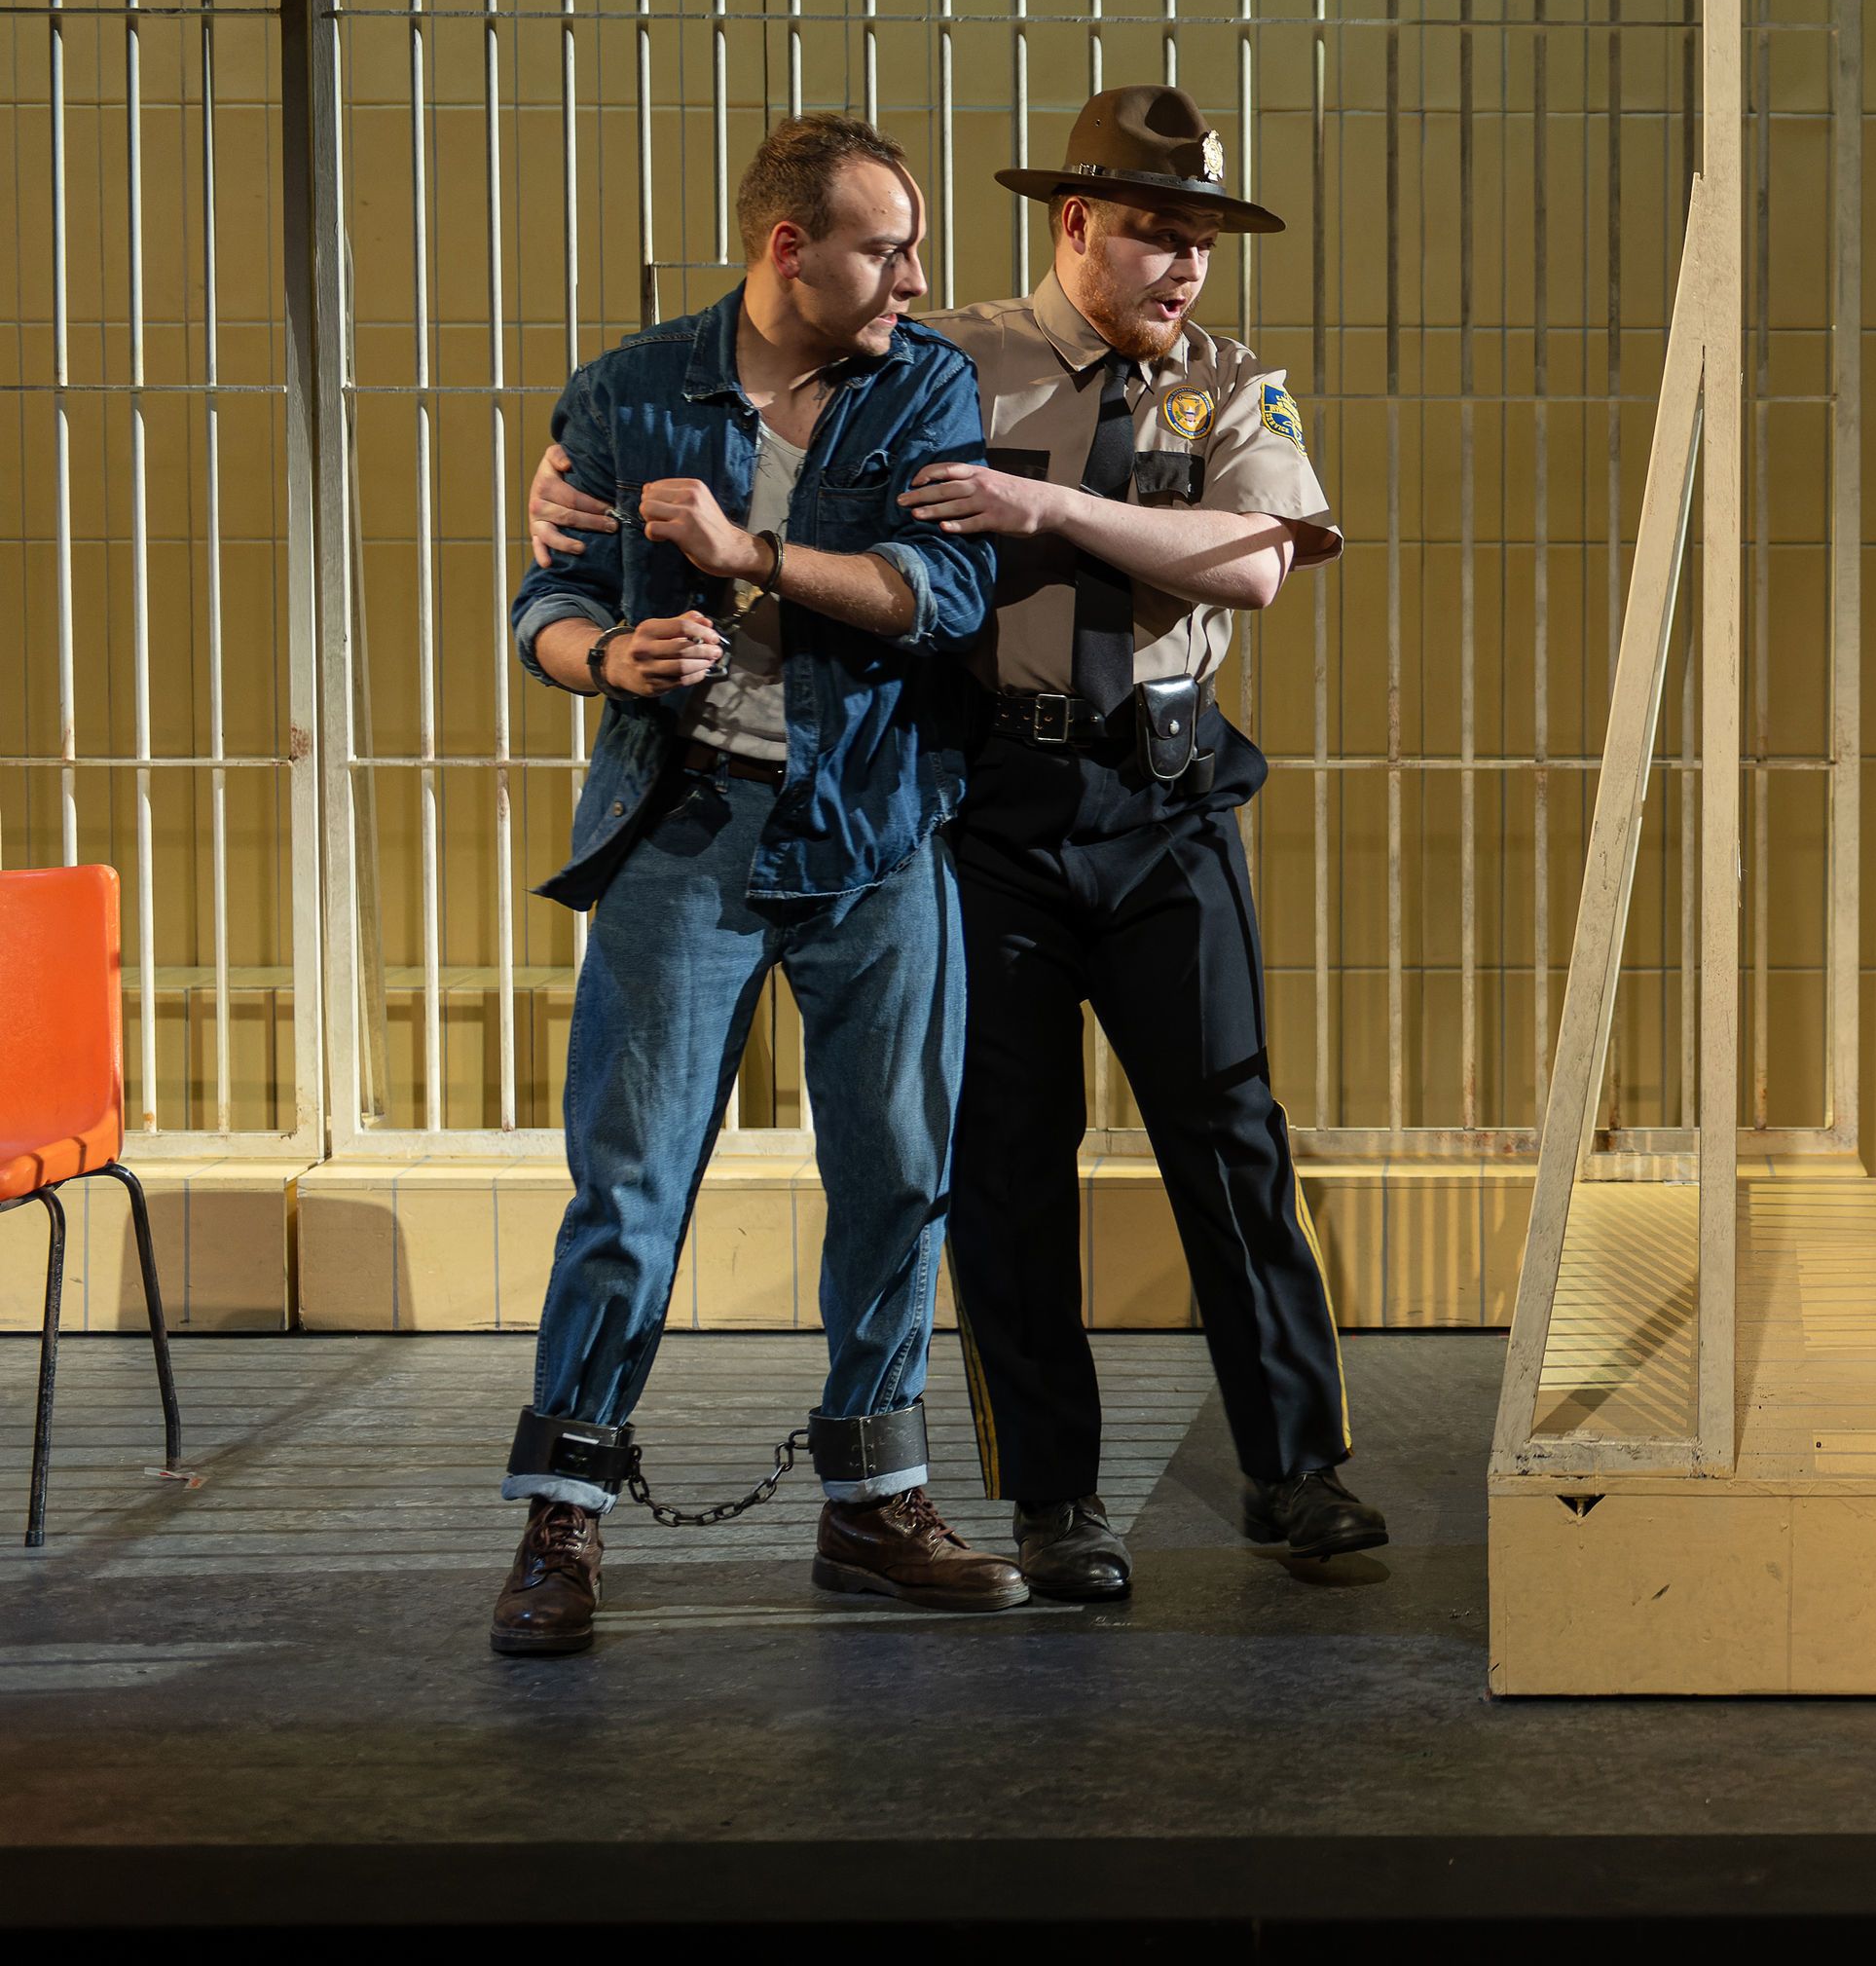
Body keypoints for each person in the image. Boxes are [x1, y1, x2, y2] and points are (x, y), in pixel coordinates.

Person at [531, 85, 1381, 1601]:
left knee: (1231, 1141)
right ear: (1075, 226)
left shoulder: (1234, 389)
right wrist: (574, 517)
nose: (1182, 270)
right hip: (985, 800)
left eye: (1201, 244)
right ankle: (1053, 1500)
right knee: (997, 1166)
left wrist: (1031, 508)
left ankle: (1297, 1471)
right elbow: (729, 445)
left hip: (1160, 800)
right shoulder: (946, 359)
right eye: (1153, 236)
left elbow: (1251, 567)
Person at [493, 113, 1022, 1657]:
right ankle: (562, 1519)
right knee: (630, 1189)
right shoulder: (630, 388)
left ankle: (874, 1503)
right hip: (685, 830)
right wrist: (610, 654)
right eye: (885, 247)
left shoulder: (921, 381)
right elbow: (549, 601)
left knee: (896, 1180)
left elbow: (944, 597)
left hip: (874, 831)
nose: (914, 275)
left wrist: (751, 554)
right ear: (790, 247)